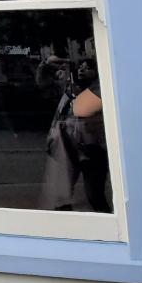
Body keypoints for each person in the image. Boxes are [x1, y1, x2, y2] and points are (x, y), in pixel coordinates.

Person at [41, 58, 112, 213]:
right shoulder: (70, 89)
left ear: (97, 72)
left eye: (87, 68)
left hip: (93, 150)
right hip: (68, 148)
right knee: (62, 198)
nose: (82, 70)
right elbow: (44, 83)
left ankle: (107, 222)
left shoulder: (102, 89)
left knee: (94, 195)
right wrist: (46, 64)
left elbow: (83, 108)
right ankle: (66, 222)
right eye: (80, 67)